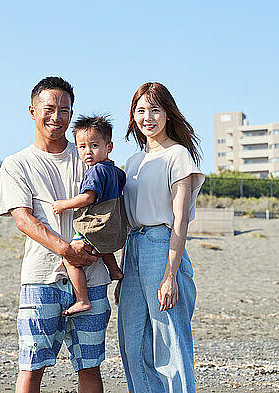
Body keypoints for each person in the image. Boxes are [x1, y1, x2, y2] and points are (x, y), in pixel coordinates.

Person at [0, 76, 111, 393]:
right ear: (32, 110)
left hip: (93, 276)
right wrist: (66, 251)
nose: (57, 117)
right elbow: (24, 219)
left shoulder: (89, 156)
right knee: (31, 366)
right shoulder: (16, 164)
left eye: (65, 110)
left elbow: (113, 206)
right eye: (49, 108)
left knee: (90, 366)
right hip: (41, 278)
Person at [116, 82, 205, 393]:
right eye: (140, 111)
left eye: (155, 110)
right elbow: (125, 220)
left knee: (169, 339)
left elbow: (181, 220)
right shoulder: (132, 162)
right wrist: (121, 274)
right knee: (131, 339)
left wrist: (170, 276)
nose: (147, 117)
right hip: (134, 249)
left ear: (168, 114)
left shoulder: (178, 155)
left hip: (162, 245)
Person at [52, 115, 126, 316]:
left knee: (70, 257)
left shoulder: (95, 172)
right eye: (82, 147)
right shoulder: (117, 172)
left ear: (108, 146)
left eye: (94, 145)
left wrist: (63, 205)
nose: (88, 152)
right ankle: (114, 270)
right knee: (101, 245)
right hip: (113, 224)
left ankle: (82, 299)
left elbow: (87, 198)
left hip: (96, 223)